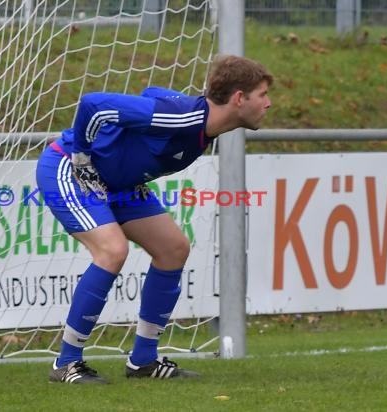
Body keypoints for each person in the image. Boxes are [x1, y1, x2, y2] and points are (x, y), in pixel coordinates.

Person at [36, 55, 273, 384]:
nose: (268, 103)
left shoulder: (201, 123)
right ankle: (67, 362)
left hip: (119, 184)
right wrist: (83, 158)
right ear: (238, 99)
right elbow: (94, 104)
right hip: (69, 169)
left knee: (173, 248)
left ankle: (143, 361)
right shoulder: (179, 118)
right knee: (112, 251)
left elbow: (151, 92)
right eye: (262, 95)